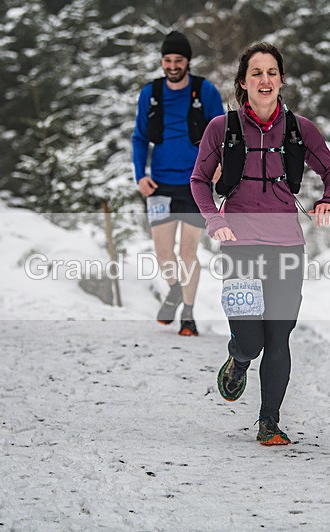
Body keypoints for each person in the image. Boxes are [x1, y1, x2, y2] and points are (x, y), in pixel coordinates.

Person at [190, 42, 330, 445]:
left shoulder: (300, 129)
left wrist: (329, 199)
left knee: (278, 336)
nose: (265, 79)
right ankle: (238, 359)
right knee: (252, 341)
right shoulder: (220, 129)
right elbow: (199, 182)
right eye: (256, 72)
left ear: (281, 80)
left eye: (272, 72)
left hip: (287, 246)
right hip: (239, 244)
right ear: (243, 82)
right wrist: (214, 219)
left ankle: (269, 422)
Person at [132, 30, 225, 336]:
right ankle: (174, 290)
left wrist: (219, 165)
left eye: (179, 60)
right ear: (162, 61)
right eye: (168, 60)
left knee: (188, 253)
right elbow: (140, 137)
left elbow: (220, 132)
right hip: (159, 184)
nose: (173, 65)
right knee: (162, 253)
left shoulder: (205, 91)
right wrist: (140, 175)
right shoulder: (151, 93)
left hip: (195, 184)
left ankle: (188, 313)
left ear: (188, 61)